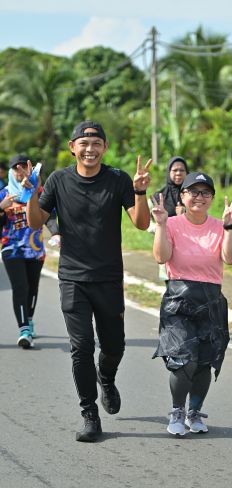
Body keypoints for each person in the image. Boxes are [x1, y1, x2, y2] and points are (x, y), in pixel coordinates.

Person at [26, 120, 152, 443]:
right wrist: (31, 194)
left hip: (108, 278)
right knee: (81, 347)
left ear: (104, 148)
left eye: (96, 143)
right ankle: (89, 414)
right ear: (73, 147)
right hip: (73, 278)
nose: (90, 149)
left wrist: (140, 191)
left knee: (114, 346)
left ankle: (105, 377)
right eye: (84, 144)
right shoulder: (58, 181)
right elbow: (36, 222)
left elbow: (141, 223)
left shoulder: (118, 179)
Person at [152, 171, 232, 436]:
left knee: (203, 362)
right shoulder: (172, 223)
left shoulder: (219, 226)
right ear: (183, 195)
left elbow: (230, 258)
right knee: (184, 359)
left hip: (211, 301)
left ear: (211, 198)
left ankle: (194, 412)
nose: (199, 197)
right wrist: (161, 225)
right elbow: (161, 257)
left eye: (205, 193)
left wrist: (229, 228)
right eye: (194, 192)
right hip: (178, 301)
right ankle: (177, 410)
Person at [0, 154, 58, 348]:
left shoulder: (39, 193)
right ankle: (24, 329)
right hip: (11, 249)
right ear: (11, 172)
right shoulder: (4, 194)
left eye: (23, 167)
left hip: (35, 249)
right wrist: (1, 208)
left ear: (30, 169)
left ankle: (29, 320)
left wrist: (56, 233)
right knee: (21, 287)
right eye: (15, 168)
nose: (20, 171)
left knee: (33, 287)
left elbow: (49, 216)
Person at [149, 156, 189, 282]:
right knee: (171, 285)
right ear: (168, 172)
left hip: (190, 247)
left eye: (182, 170)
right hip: (167, 246)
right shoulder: (158, 197)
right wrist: (161, 228)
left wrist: (185, 214)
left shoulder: (193, 196)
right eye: (175, 170)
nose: (178, 173)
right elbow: (146, 223)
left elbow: (201, 218)